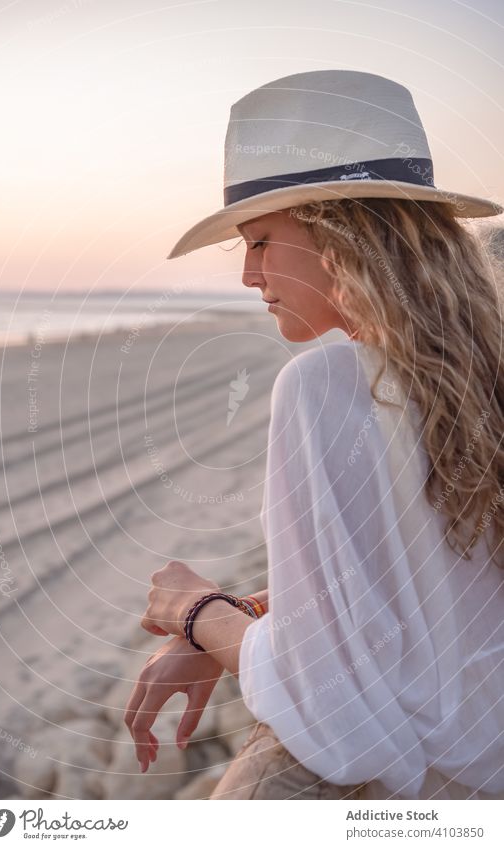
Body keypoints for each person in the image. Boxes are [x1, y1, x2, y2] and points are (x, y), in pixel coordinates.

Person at [124, 70, 504, 799]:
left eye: (261, 240)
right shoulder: (479, 377)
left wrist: (196, 613)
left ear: (342, 231)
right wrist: (257, 609)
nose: (248, 274)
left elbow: (330, 701)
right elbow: (436, 583)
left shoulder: (324, 384)